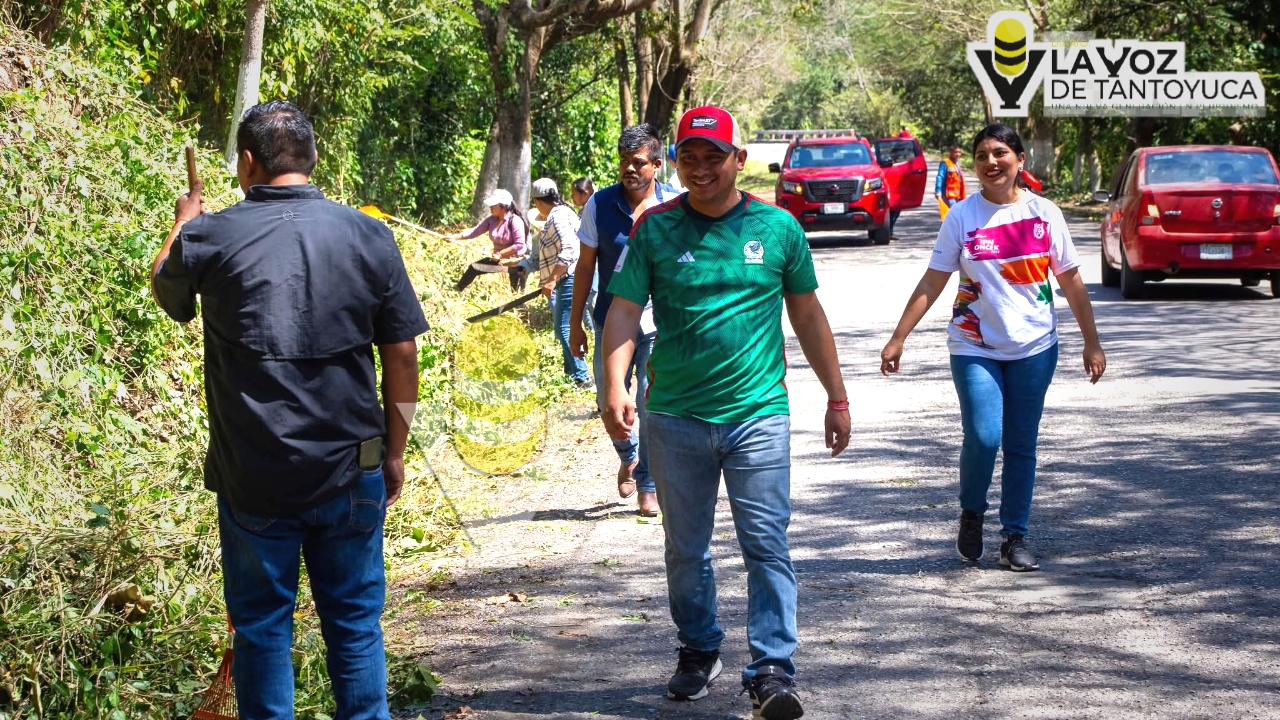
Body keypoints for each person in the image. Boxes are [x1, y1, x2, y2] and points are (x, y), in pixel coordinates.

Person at [150, 101, 428, 720]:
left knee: (262, 628)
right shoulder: (368, 233)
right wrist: (395, 452)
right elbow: (403, 354)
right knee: (355, 625)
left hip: (253, 475)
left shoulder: (210, 234)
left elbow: (165, 286)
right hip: (354, 462)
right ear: (314, 158)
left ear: (246, 163)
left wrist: (182, 221)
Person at [601, 105, 850, 720]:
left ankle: (771, 667)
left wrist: (836, 395)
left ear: (740, 159)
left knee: (765, 542)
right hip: (676, 417)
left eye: (715, 156)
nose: (702, 167)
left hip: (758, 415)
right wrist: (614, 386)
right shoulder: (655, 228)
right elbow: (625, 313)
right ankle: (699, 648)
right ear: (675, 161)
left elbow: (808, 317)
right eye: (690, 156)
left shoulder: (779, 228)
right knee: (685, 548)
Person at [880, 123, 1106, 573]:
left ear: (1020, 160)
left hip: (1035, 345)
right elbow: (933, 279)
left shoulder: (1046, 214)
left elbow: (1072, 280)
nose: (991, 162)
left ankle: (1014, 536)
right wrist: (898, 335)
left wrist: (1091, 342)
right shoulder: (962, 217)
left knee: (1022, 442)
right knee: (984, 436)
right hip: (973, 344)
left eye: (1000, 153)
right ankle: (971, 510)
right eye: (982, 155)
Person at [569, 123, 677, 517]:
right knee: (607, 401)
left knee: (650, 403)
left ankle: (647, 481)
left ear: (657, 165)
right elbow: (584, 268)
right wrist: (575, 321)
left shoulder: (675, 203)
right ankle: (627, 456)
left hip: (660, 325)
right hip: (611, 321)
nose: (629, 169)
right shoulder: (598, 205)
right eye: (623, 162)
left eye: (638, 162)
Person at [531, 177, 591, 387]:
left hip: (569, 278)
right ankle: (571, 373)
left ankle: (582, 376)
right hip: (570, 277)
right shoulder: (565, 212)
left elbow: (569, 250)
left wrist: (551, 279)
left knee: (565, 328)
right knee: (562, 327)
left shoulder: (557, 217)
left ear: (538, 202)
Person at [451, 189, 529, 292]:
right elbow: (475, 231)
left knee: (516, 291)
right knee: (474, 268)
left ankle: (519, 306)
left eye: (493, 205)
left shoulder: (515, 220)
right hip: (498, 259)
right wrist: (455, 237)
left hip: (516, 261)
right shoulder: (491, 220)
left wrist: (500, 254)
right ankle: (457, 290)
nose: (490, 207)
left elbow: (519, 244)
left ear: (503, 206)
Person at [934, 144, 967, 210]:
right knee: (954, 213)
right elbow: (940, 177)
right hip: (948, 195)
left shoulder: (956, 164)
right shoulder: (945, 163)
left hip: (958, 195)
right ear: (950, 152)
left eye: (959, 152)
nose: (958, 154)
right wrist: (938, 191)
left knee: (957, 213)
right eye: (956, 152)